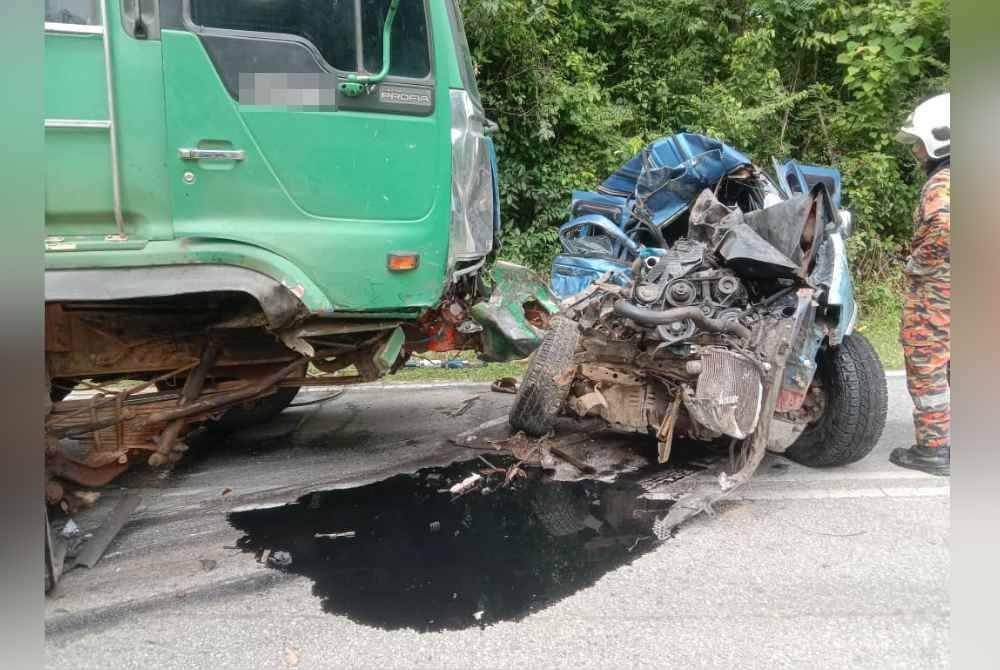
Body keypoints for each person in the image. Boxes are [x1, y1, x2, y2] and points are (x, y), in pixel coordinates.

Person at [889, 93, 951, 476]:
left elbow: (944, 226)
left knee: (927, 365)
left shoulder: (943, 183)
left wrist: (919, 264)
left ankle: (934, 450)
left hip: (938, 296)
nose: (914, 150)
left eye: (918, 141)